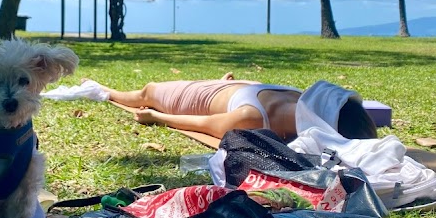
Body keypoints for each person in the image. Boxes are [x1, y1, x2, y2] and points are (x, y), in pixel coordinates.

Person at [95, 74, 378, 141]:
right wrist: (156, 117)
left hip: (240, 90)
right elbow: (203, 125)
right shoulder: (252, 120)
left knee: (151, 91)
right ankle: (106, 90)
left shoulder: (308, 101)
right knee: (148, 92)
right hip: (200, 97)